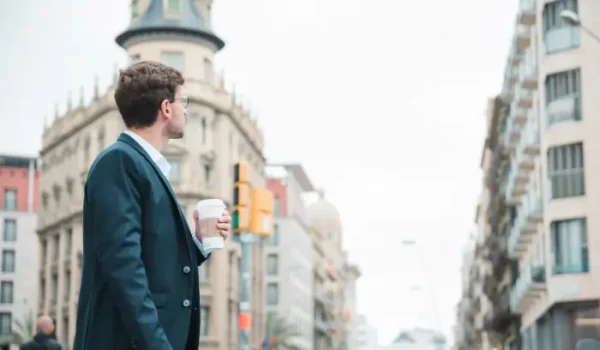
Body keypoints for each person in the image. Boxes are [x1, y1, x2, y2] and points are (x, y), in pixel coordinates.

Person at [72, 61, 231, 350]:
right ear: (166, 108)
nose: (187, 110)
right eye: (184, 101)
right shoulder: (119, 162)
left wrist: (197, 241)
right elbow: (125, 270)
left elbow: (156, 264)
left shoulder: (144, 166)